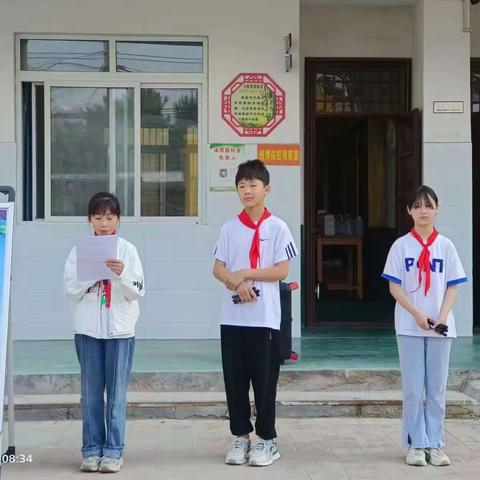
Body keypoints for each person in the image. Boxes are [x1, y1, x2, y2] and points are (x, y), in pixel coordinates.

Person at [212, 159, 298, 467]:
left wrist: (246, 272)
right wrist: (234, 282)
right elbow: (218, 268)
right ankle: (241, 437)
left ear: (266, 189)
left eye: (253, 185)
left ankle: (267, 439)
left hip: (264, 319)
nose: (247, 191)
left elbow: (281, 270)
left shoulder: (278, 228)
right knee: (234, 381)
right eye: (242, 186)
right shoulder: (228, 228)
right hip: (233, 318)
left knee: (264, 382)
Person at [382, 185, 467, 467]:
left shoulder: (446, 246)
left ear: (437, 209)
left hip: (441, 329)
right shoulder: (400, 246)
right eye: (417, 206)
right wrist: (417, 314)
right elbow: (395, 287)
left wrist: (442, 317)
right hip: (409, 325)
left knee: (437, 389)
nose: (423, 211)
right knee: (413, 388)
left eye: (428, 206)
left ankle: (436, 443)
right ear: (409, 210)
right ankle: (416, 443)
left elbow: (453, 287)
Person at [64, 192, 144, 473]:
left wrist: (121, 273)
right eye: (98, 217)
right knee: (91, 394)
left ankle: (113, 450)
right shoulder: (79, 251)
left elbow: (138, 290)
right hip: (88, 331)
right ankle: (91, 449)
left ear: (118, 220)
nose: (104, 223)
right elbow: (69, 288)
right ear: (89, 220)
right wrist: (91, 275)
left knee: (117, 395)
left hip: (120, 332)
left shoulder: (128, 250)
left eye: (109, 217)